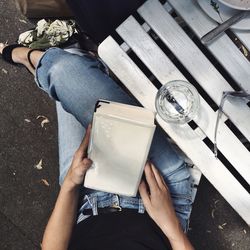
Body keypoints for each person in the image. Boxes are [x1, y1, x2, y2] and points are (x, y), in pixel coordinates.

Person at [0, 40, 194, 249]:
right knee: (68, 70)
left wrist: (71, 183)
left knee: (63, 69)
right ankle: (55, 63)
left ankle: (34, 58)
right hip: (161, 197)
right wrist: (172, 228)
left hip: (85, 193)